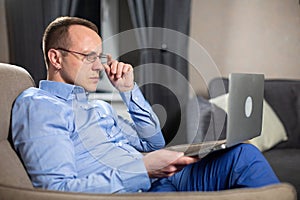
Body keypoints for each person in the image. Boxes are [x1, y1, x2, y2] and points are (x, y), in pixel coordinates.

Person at [11, 16, 279, 193]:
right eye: (87, 56)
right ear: (55, 58)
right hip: (132, 190)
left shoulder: (99, 107)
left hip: (157, 179)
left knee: (242, 156)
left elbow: (154, 143)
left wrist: (129, 91)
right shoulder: (40, 106)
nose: (99, 66)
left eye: (100, 56)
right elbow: (56, 189)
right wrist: (142, 169)